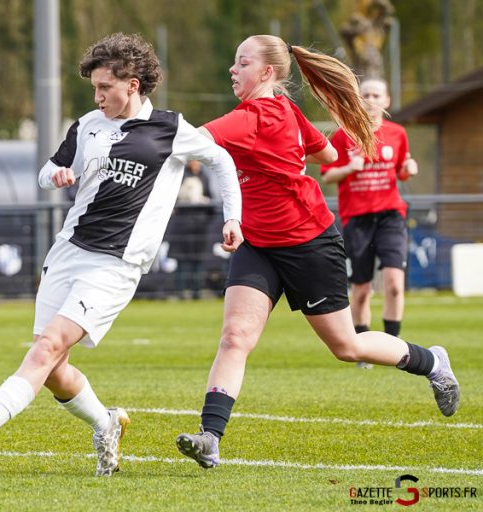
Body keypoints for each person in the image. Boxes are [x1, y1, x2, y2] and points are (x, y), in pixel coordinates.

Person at [0, 33, 243, 476]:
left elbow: (221, 160)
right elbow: (46, 170)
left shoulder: (170, 128)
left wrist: (232, 217)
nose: (98, 95)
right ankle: (106, 422)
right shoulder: (88, 124)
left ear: (133, 84)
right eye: (94, 87)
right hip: (69, 250)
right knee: (51, 366)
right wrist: (58, 177)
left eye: (105, 87)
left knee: (48, 346)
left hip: (116, 264)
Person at [175, 35, 460, 470]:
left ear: (267, 72)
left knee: (347, 346)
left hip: (309, 242)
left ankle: (431, 361)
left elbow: (190, 142)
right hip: (259, 243)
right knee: (235, 337)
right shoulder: (286, 110)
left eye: (243, 62)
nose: (234, 70)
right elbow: (325, 151)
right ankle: (210, 437)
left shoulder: (254, 114)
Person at [320, 78, 418, 368]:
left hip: (390, 215)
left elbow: (401, 170)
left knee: (394, 283)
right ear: (357, 99)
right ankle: (364, 348)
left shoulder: (397, 134)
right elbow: (326, 175)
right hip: (357, 218)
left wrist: (409, 170)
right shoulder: (343, 136)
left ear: (387, 101)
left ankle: (394, 345)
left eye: (377, 95)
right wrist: (349, 167)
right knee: (361, 290)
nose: (371, 99)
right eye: (366, 94)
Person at [168, 160, 213, 299]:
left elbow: (210, 197)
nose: (196, 164)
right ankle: (180, 291)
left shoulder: (204, 176)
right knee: (181, 260)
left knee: (197, 260)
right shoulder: (181, 174)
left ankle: (196, 291)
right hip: (182, 225)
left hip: (199, 226)